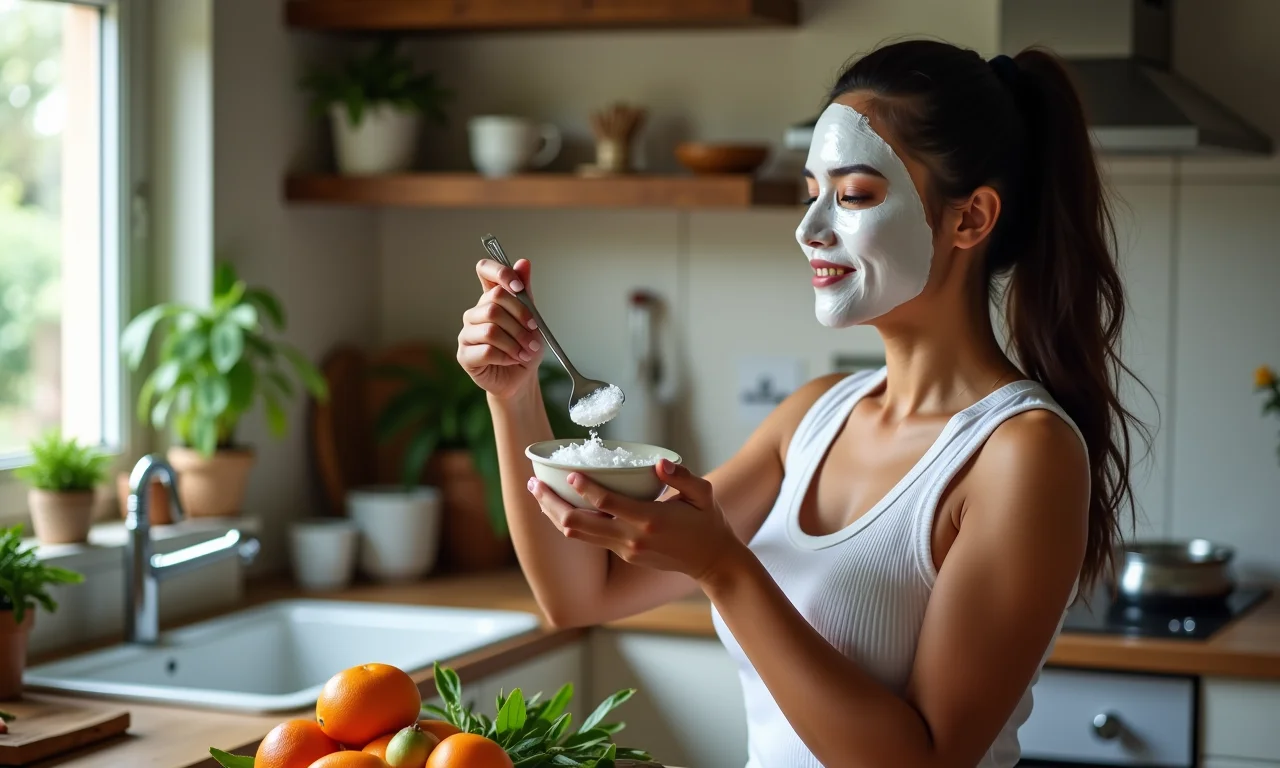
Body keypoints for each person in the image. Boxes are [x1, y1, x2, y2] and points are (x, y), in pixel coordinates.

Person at [456, 39, 1145, 768]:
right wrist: (515, 393)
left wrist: (725, 568)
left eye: (852, 196)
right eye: (810, 192)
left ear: (971, 218)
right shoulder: (813, 418)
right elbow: (581, 597)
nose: (810, 229)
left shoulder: (1022, 454)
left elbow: (926, 761)